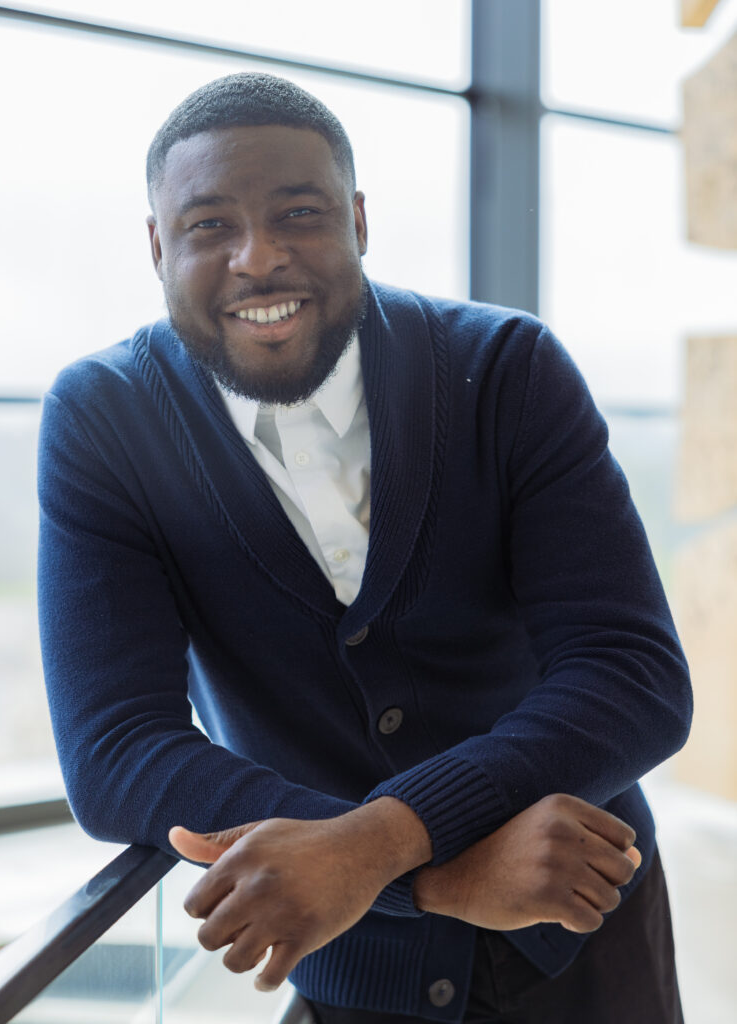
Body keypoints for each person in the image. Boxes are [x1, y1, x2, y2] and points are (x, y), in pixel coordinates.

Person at [37, 73, 692, 1024]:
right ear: (156, 246)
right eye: (208, 225)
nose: (256, 258)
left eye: (297, 213)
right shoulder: (106, 420)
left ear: (357, 220)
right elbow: (116, 750)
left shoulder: (507, 368)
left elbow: (632, 675)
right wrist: (425, 877)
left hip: (579, 916)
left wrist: (382, 841)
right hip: (343, 954)